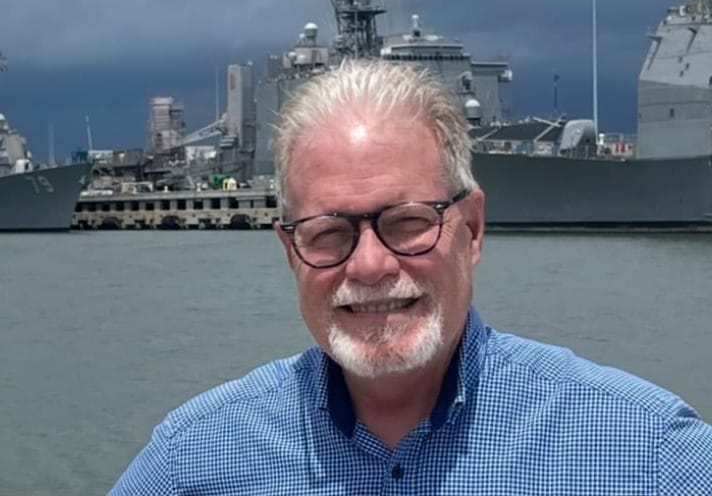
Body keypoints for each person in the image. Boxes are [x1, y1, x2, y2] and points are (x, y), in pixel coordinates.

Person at [110, 59, 712, 495]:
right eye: (327, 233)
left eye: (407, 223)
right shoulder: (195, 460)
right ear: (290, 253)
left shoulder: (644, 450)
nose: (370, 265)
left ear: (472, 229)